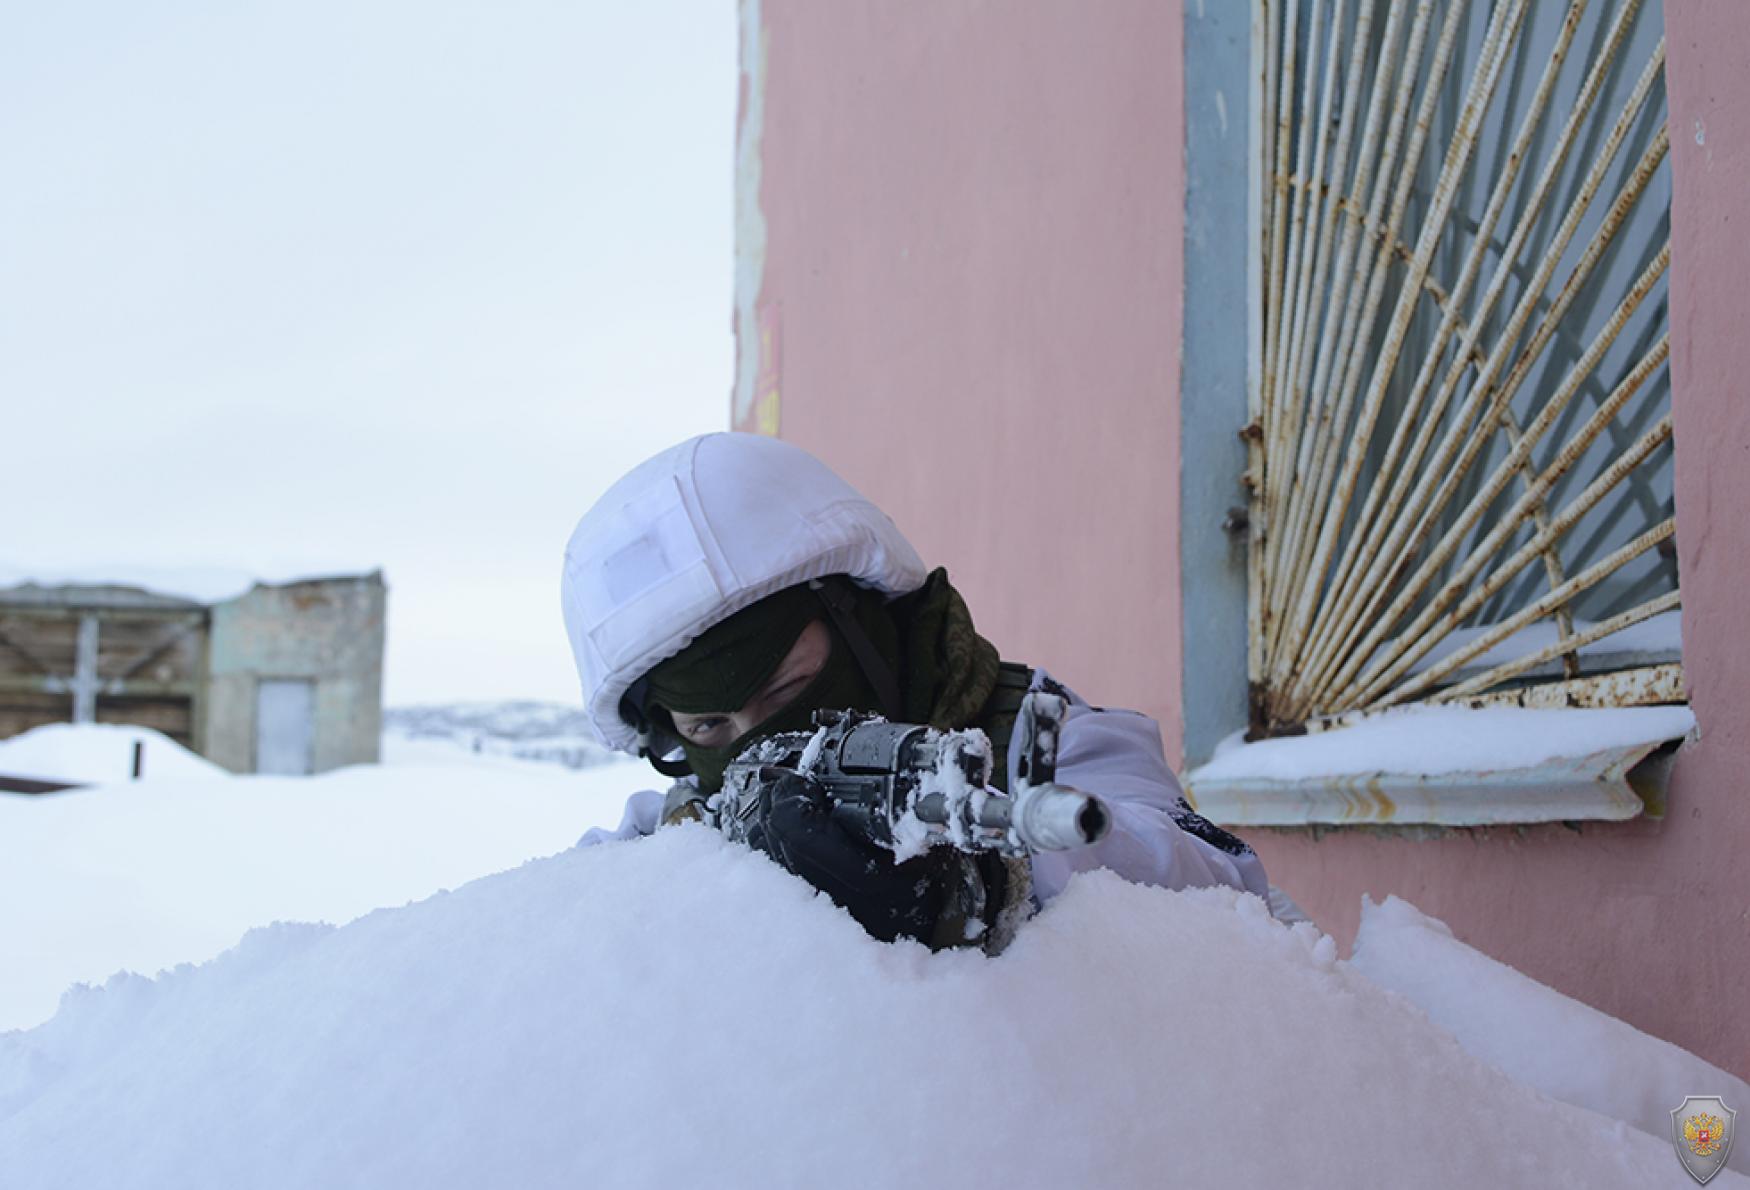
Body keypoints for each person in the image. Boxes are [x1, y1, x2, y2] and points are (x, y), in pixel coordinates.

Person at [561, 432, 1270, 951]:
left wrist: (992, 886)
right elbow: (555, 925)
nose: (758, 743)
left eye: (789, 687)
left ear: (868, 629)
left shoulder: (1031, 736)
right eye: (710, 728)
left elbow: (1235, 897)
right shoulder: (687, 822)